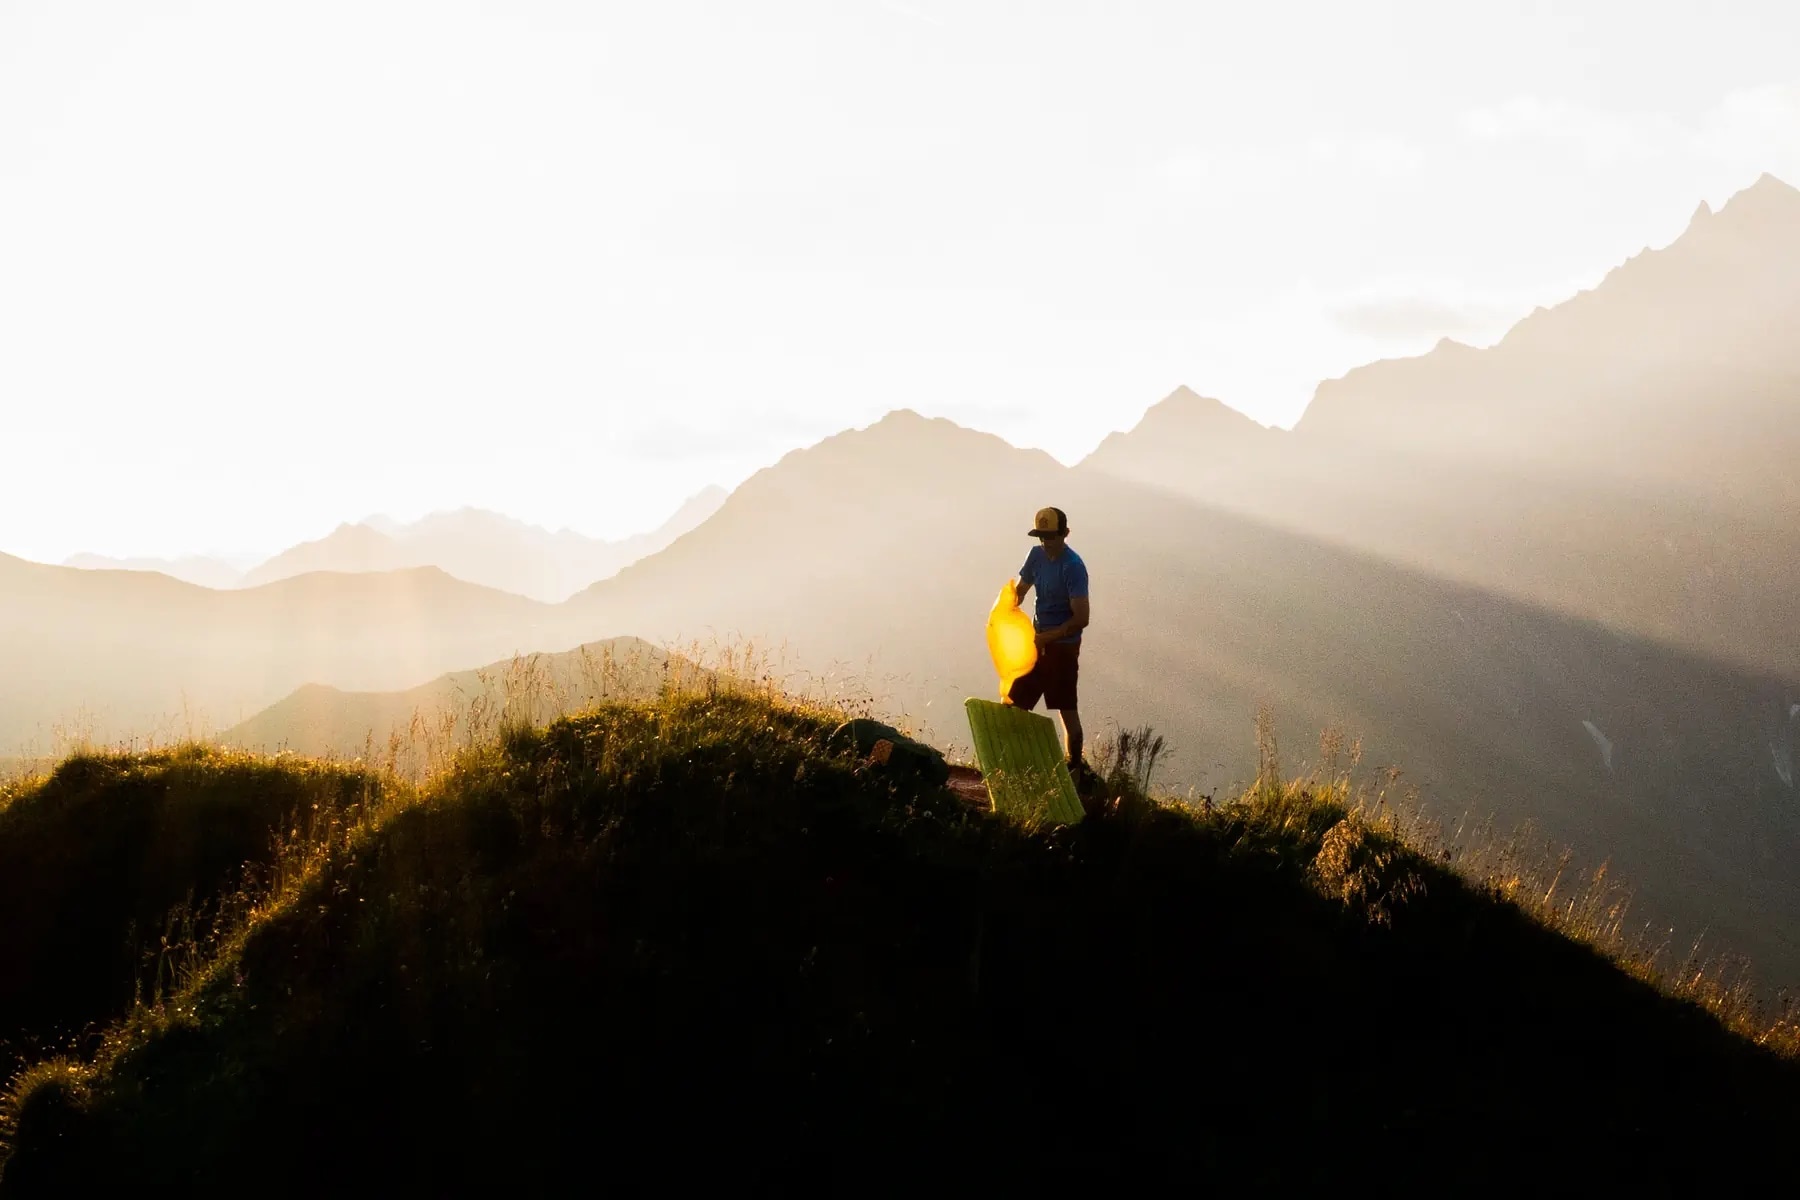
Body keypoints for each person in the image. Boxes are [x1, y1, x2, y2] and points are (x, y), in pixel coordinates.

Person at [1010, 506, 1092, 785]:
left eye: (1051, 537)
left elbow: (1082, 618)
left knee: (1067, 712)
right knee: (1016, 702)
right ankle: (1017, 766)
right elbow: (1021, 590)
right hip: (1036, 642)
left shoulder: (1073, 567)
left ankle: (1075, 770)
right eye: (1041, 537)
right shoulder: (1035, 556)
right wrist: (1008, 608)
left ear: (1065, 533)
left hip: (1062, 649)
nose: (1046, 543)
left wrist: (1048, 637)